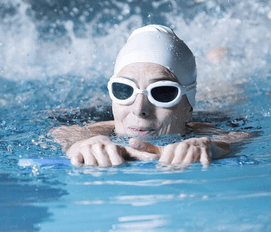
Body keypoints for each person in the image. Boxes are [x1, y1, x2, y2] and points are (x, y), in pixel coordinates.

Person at [50, 24, 249, 168]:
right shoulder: (96, 127)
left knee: (225, 94)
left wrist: (211, 147)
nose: (139, 109)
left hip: (206, 115)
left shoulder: (204, 129)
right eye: (124, 89)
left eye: (162, 92)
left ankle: (218, 63)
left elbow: (236, 138)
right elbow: (64, 133)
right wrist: (78, 145)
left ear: (188, 107)